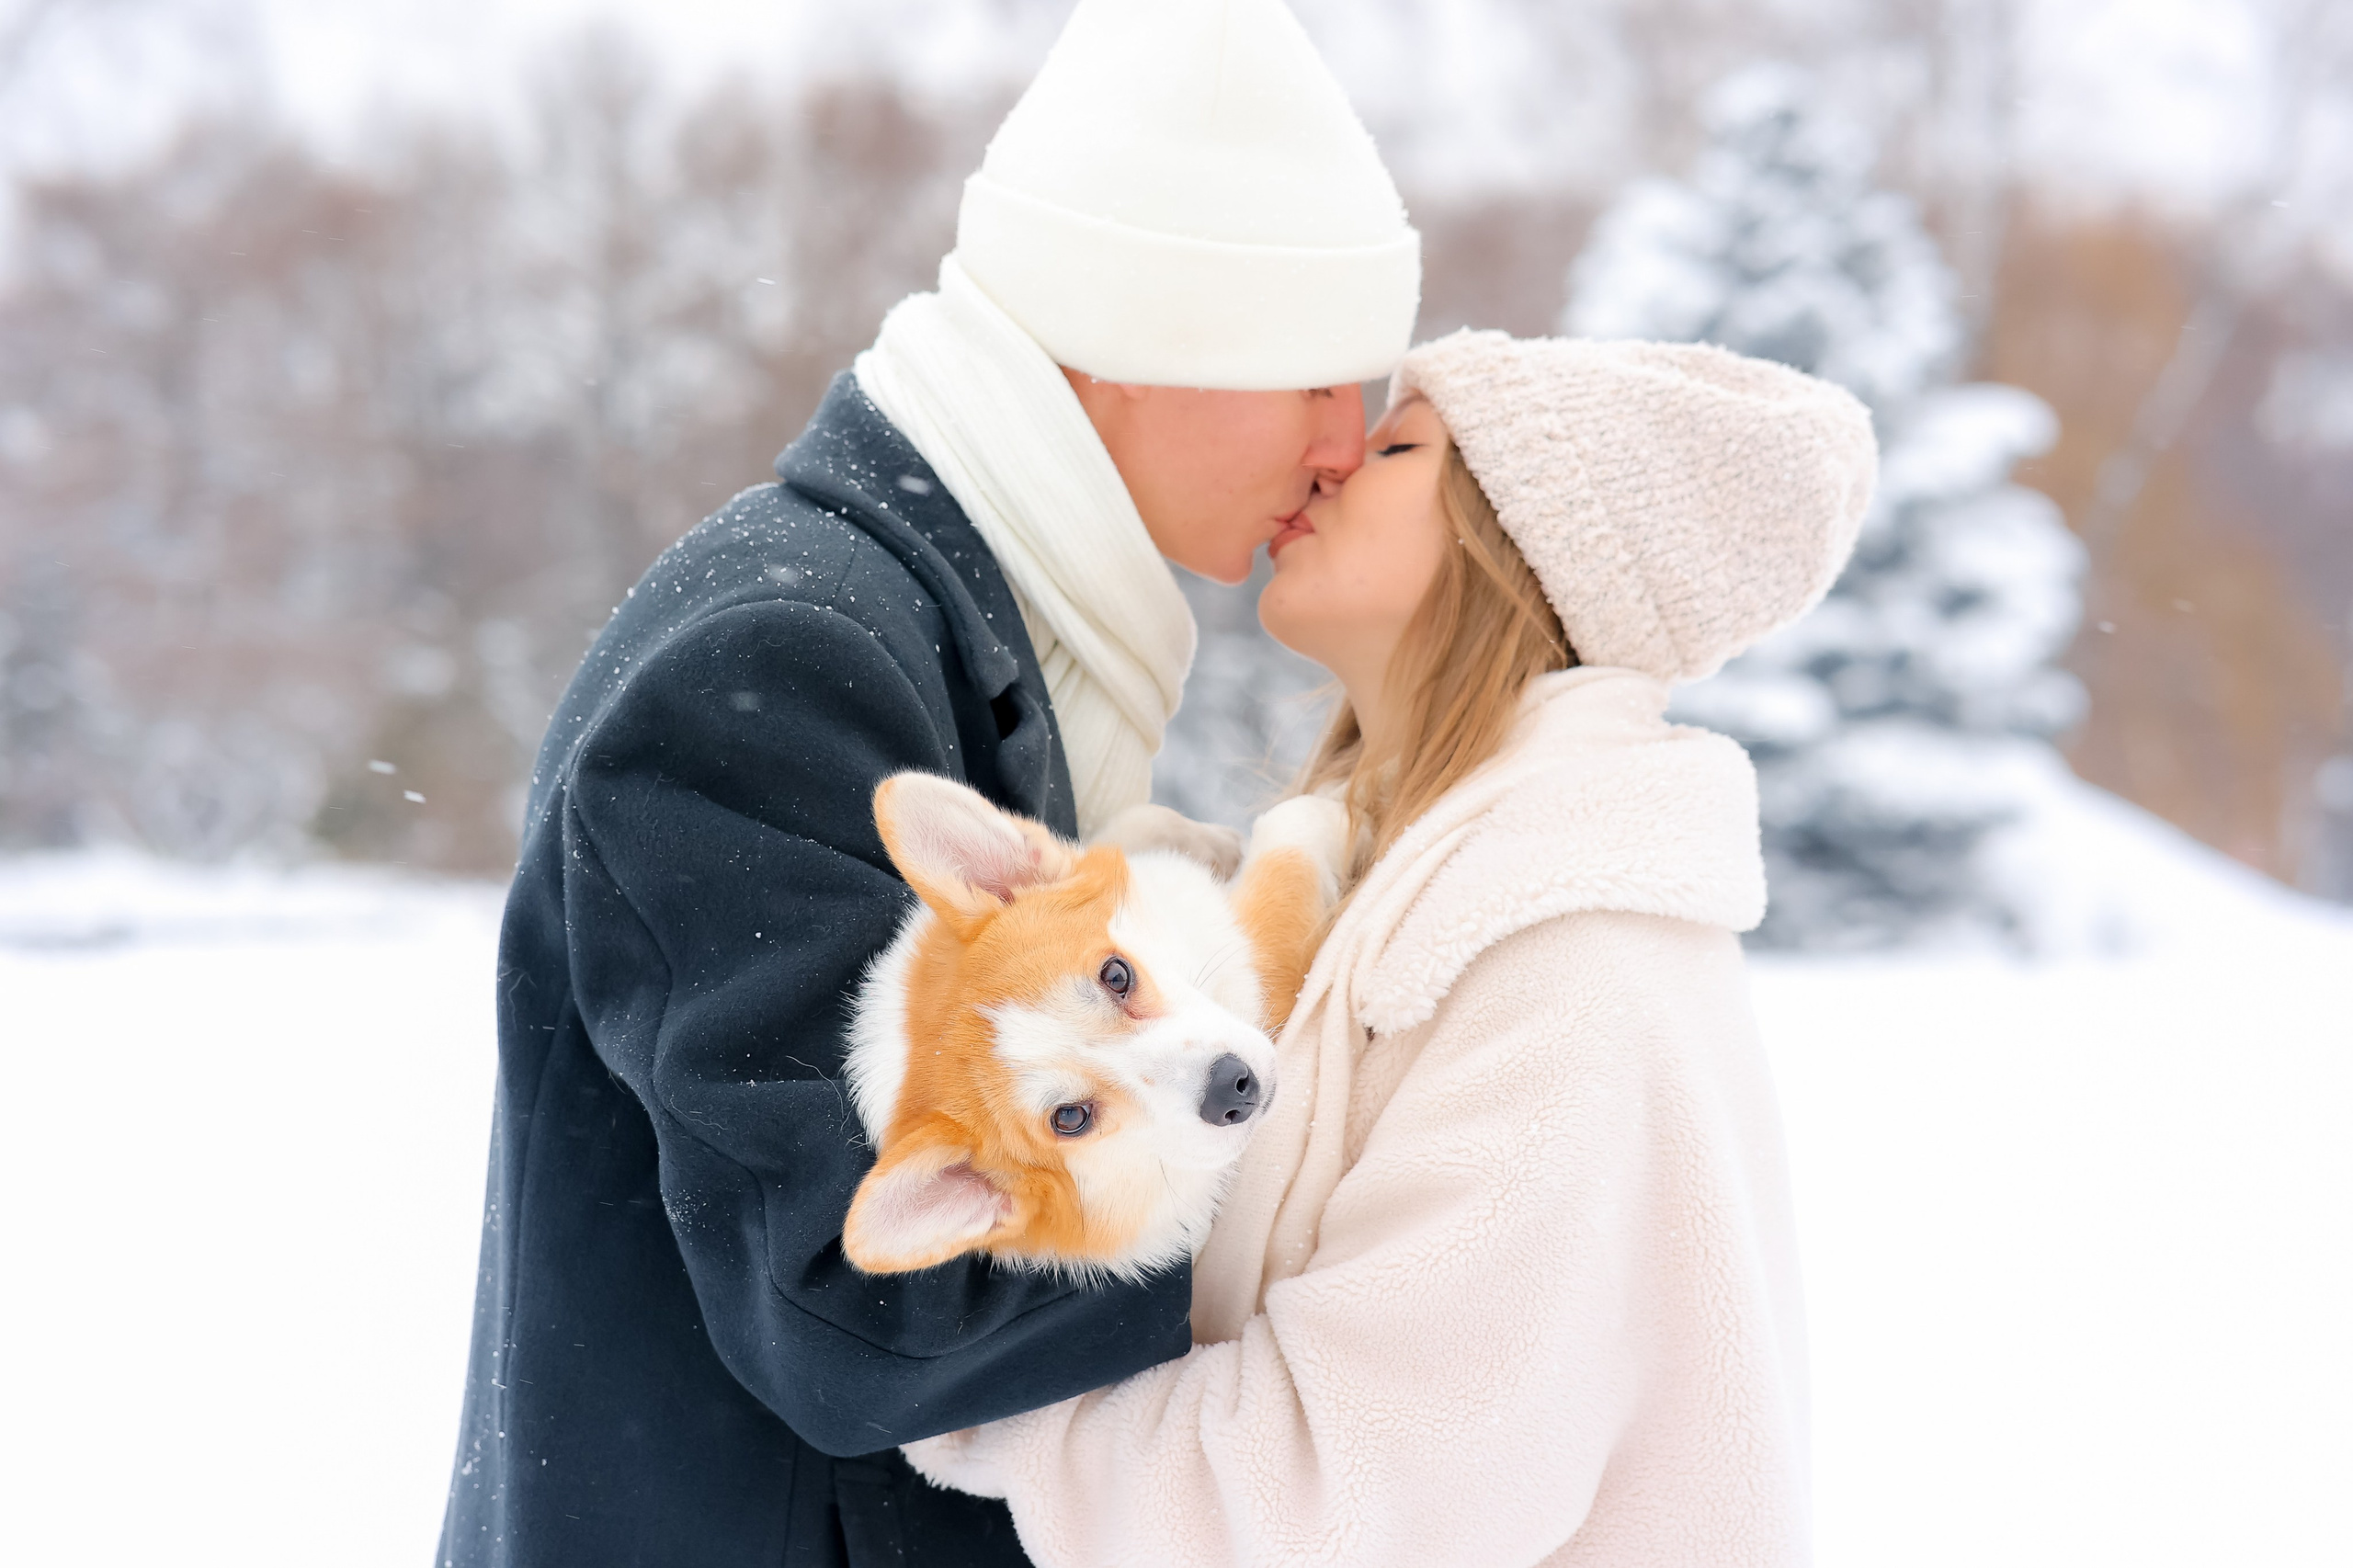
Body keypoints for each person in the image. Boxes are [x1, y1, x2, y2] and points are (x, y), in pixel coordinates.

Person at [435, 2, 1420, 1564]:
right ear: (1131, 341)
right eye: (1309, 377)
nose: (1342, 445)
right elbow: (853, 1305)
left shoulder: (956, 622)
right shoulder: (784, 660)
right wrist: (1384, 1222)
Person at [901, 331, 1880, 1567]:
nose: (1333, 461)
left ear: (1514, 550)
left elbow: (1358, 1492)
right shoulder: (1412, 895)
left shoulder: (1567, 961)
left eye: (1401, 445)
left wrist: (973, 1405)